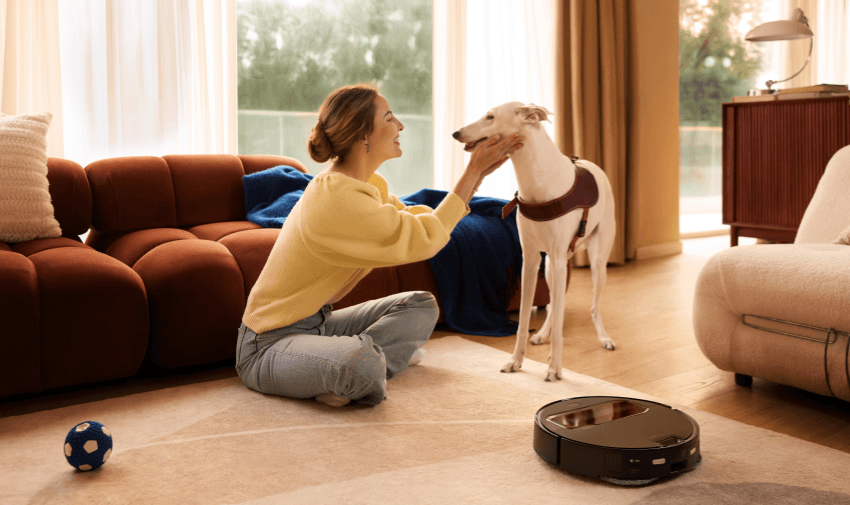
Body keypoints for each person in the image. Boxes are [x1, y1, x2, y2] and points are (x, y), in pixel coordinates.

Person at [236, 82, 524, 407]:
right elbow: (424, 238)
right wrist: (473, 170)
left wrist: (476, 176)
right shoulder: (336, 199)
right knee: (360, 362)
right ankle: (356, 367)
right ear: (363, 135)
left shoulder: (368, 185)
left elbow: (417, 222)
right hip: (265, 347)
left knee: (420, 305)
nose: (399, 125)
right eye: (389, 118)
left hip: (317, 325)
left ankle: (342, 370)